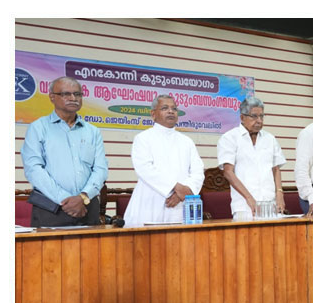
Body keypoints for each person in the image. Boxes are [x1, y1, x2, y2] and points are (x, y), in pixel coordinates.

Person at [21, 76, 108, 227]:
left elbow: (100, 168)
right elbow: (33, 169)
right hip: (51, 208)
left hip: (87, 208)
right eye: (66, 94)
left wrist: (83, 197)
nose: (73, 98)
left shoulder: (92, 131)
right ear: (52, 97)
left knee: (91, 251)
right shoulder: (38, 128)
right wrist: (66, 199)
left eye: (78, 94)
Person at [123, 95, 205, 226]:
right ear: (153, 114)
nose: (171, 111)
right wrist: (176, 187)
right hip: (151, 204)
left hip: (180, 205)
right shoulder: (143, 138)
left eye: (174, 108)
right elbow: (145, 169)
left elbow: (198, 172)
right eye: (165, 108)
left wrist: (183, 193)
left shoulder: (186, 141)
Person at [217, 97, 287, 216]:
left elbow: (276, 169)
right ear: (242, 117)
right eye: (254, 116)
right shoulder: (229, 138)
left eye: (262, 116)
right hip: (244, 206)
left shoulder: (270, 139)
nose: (259, 120)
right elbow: (228, 172)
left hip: (270, 205)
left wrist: (280, 194)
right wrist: (249, 198)